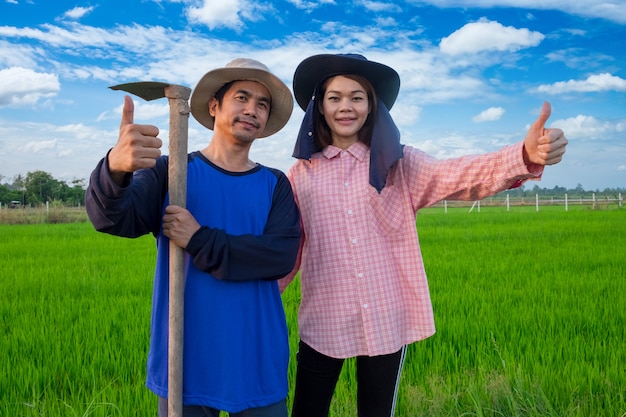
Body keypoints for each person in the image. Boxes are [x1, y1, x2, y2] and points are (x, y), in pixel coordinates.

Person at [279, 53, 568, 417]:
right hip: (324, 318)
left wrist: (524, 154)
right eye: (334, 97)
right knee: (307, 410)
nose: (345, 106)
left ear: (372, 106)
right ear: (319, 107)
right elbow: (287, 251)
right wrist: (253, 299)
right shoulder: (300, 176)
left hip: (386, 317)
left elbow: (459, 175)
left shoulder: (399, 163)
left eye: (357, 97)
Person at [85, 58, 301, 417]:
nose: (252, 110)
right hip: (184, 356)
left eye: (262, 104)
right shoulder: (172, 174)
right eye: (242, 98)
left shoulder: (275, 183)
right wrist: (114, 169)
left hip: (256, 357)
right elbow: (112, 219)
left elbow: (279, 256)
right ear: (214, 107)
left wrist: (199, 239)